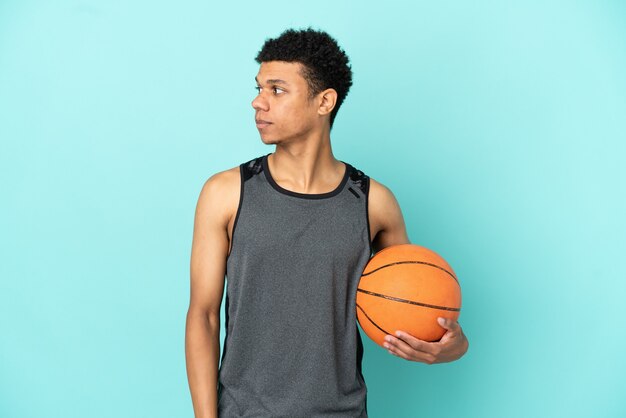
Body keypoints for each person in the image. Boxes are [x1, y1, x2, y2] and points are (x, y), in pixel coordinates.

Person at [185, 27, 469, 418]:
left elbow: (414, 304)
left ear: (324, 102)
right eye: (259, 88)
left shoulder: (374, 204)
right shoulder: (226, 193)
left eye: (277, 90)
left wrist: (452, 345)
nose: (257, 102)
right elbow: (203, 317)